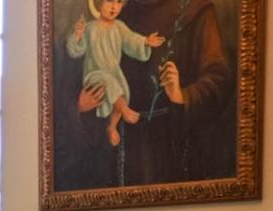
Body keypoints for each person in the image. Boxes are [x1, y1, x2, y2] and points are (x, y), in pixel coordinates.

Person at [53, 0, 234, 191]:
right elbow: (63, 84)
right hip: (108, 150)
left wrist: (183, 95)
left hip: (165, 146)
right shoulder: (113, 11)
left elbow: (219, 79)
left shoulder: (195, 10)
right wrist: (78, 104)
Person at [67, 0, 165, 146]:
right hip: (95, 76)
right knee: (112, 86)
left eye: (119, 2)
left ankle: (112, 126)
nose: (114, 7)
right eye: (109, 1)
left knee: (122, 91)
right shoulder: (90, 28)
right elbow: (75, 50)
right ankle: (124, 110)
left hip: (113, 73)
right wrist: (77, 36)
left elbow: (131, 40)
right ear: (98, 3)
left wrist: (145, 41)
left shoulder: (119, 27)